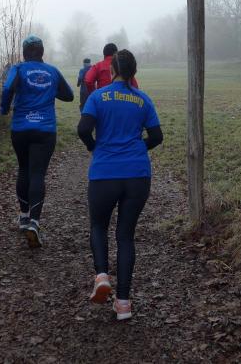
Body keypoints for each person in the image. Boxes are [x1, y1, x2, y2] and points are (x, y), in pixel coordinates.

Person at [77, 49, 163, 320]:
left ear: (112, 70)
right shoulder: (143, 99)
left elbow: (83, 129)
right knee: (125, 236)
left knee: (98, 226)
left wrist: (94, 147)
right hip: (137, 175)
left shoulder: (97, 97)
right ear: (133, 72)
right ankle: (123, 303)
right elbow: (157, 136)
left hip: (104, 173)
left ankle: (102, 276)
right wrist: (138, 148)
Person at [0, 35, 74, 248]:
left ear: (24, 53)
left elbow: (7, 88)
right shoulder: (52, 71)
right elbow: (69, 95)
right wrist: (49, 91)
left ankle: (23, 216)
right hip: (45, 130)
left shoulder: (18, 69)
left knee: (24, 169)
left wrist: (4, 109)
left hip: (21, 128)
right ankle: (34, 222)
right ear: (42, 52)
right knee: (38, 173)